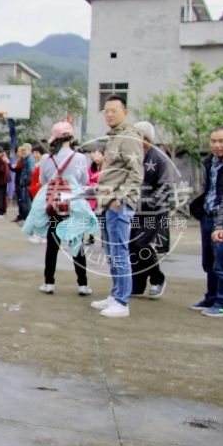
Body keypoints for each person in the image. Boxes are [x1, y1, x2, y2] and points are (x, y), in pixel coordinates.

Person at [89, 95, 144, 318]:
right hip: (107, 203)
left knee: (120, 252)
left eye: (114, 110)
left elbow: (136, 173)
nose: (109, 114)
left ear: (125, 112)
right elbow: (118, 170)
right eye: (106, 111)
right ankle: (115, 294)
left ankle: (122, 301)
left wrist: (119, 199)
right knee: (111, 252)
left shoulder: (129, 137)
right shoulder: (114, 138)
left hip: (118, 206)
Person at [37, 122, 91, 296]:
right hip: (73, 206)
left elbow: (43, 181)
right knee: (77, 244)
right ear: (71, 138)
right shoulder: (80, 158)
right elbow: (84, 181)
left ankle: (49, 283)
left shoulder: (47, 158)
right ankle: (83, 285)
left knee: (52, 245)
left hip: (55, 205)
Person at [129, 122, 174, 300]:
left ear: (146, 139)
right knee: (132, 245)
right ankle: (138, 285)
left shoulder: (160, 159)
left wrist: (148, 201)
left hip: (154, 212)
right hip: (134, 209)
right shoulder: (135, 156)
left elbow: (166, 186)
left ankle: (157, 279)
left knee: (142, 244)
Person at [190, 126, 223, 316]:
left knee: (221, 264)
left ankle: (221, 302)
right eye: (214, 141)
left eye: (221, 141)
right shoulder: (210, 162)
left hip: (221, 221)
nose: (217, 145)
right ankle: (211, 297)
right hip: (207, 217)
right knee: (208, 262)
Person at [27, 144, 47, 243]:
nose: (35, 155)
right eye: (33, 153)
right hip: (34, 191)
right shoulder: (38, 163)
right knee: (36, 213)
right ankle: (38, 234)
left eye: (36, 153)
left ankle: (41, 235)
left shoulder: (44, 163)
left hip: (40, 191)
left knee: (40, 213)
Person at [13, 143, 35, 224]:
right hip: (24, 183)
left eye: (23, 150)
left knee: (27, 202)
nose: (21, 153)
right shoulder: (25, 159)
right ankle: (24, 218)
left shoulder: (29, 159)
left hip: (27, 183)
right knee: (24, 201)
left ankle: (27, 219)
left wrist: (26, 181)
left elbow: (31, 171)